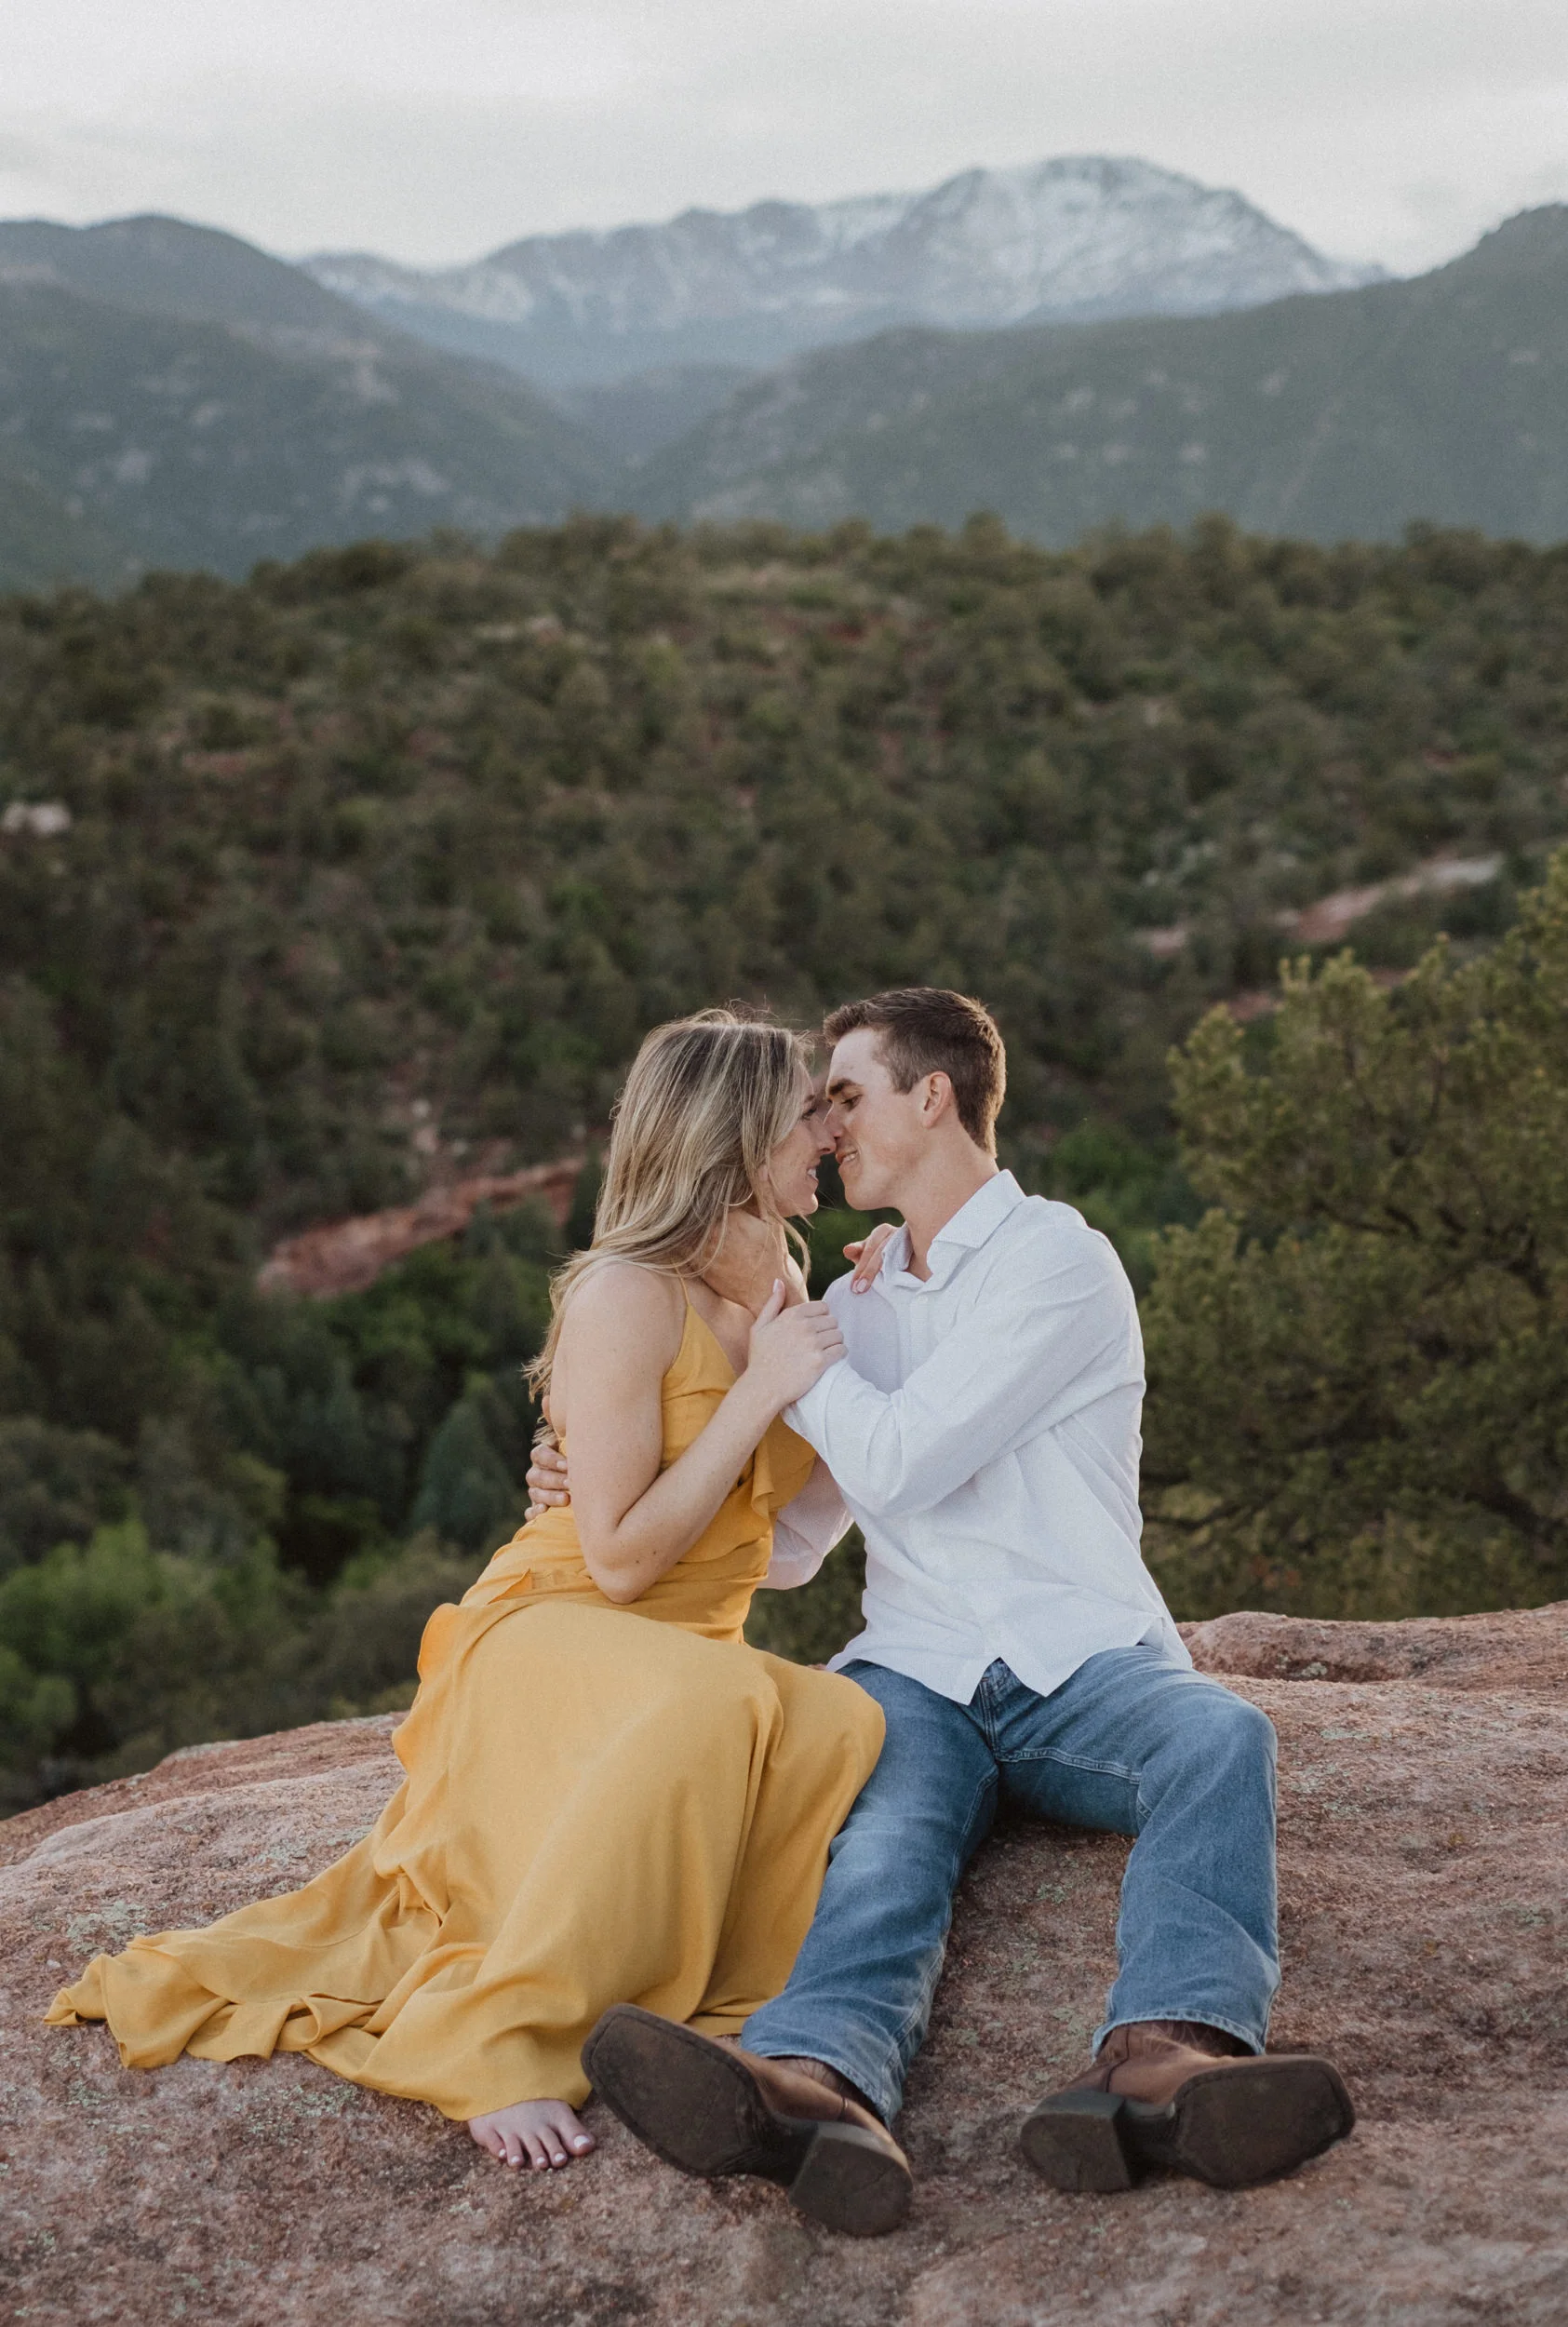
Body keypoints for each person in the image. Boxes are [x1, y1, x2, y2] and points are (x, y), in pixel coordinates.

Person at [46, 1010, 892, 2216]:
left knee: (838, 1722)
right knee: (719, 1699)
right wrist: (762, 1392)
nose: (828, 1132)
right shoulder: (624, 1292)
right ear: (739, 1132)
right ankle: (495, 2038)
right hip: (556, 1624)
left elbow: (781, 1555)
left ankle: (706, 2011)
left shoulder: (785, 1273)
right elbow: (614, 1563)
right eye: (811, 1111)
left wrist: (862, 1348)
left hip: (685, 1642)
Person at [538, 988, 1355, 2234]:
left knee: (1220, 1736)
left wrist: (786, 1366)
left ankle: (1164, 2062)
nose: (825, 1128)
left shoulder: (1056, 1263)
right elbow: (799, 1545)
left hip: (1076, 1662)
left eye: (847, 1096)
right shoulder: (852, 1310)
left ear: (934, 1098)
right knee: (886, 1841)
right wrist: (603, 1495)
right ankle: (815, 2085)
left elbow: (907, 1459)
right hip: (916, 1667)